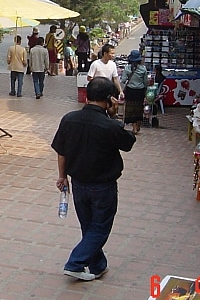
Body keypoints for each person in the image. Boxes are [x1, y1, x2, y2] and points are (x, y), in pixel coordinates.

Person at [52, 77, 136, 281]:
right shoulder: (109, 126)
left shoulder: (69, 119)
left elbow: (61, 151)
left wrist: (62, 176)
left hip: (79, 184)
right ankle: (75, 263)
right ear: (109, 100)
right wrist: (115, 118)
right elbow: (128, 142)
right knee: (99, 228)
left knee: (89, 226)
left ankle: (98, 265)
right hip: (103, 186)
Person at [120, 50, 148, 134]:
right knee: (139, 108)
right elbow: (145, 82)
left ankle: (134, 128)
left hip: (130, 91)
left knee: (131, 109)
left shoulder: (127, 68)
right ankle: (138, 126)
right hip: (140, 91)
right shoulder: (143, 69)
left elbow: (123, 80)